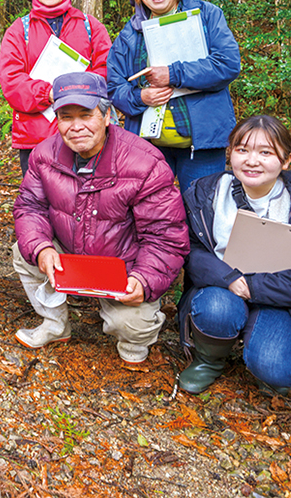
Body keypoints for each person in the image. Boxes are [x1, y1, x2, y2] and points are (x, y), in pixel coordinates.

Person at [12, 72, 189, 362]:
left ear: (107, 116)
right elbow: (30, 207)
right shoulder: (44, 155)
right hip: (69, 254)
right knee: (24, 249)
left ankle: (133, 341)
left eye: (86, 114)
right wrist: (42, 248)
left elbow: (166, 237)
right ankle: (56, 324)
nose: (76, 126)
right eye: (66, 117)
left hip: (123, 266)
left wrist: (143, 280)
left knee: (132, 325)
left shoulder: (145, 163)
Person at [177, 115, 291, 394]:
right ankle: (209, 360)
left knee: (274, 368)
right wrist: (229, 278)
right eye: (242, 150)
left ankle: (265, 360)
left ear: (286, 160)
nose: (251, 160)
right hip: (224, 287)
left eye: (265, 152)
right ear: (230, 153)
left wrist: (255, 287)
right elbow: (189, 249)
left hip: (284, 299)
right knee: (216, 309)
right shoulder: (205, 193)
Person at [107, 0, 241, 195]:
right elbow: (114, 86)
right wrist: (140, 98)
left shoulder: (207, 16)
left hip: (202, 146)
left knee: (204, 215)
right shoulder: (130, 33)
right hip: (149, 149)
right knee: (152, 214)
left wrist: (173, 73)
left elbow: (228, 63)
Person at [0, 0, 112, 175]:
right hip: (36, 138)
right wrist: (49, 93)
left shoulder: (91, 27)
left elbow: (106, 69)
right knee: (39, 203)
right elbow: (11, 80)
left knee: (87, 202)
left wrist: (76, 91)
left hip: (84, 134)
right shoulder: (19, 30)